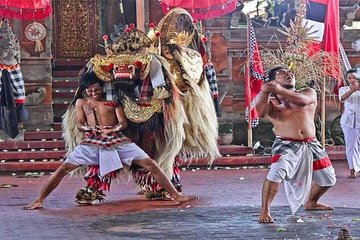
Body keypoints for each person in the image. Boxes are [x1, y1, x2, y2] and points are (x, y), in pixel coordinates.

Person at [23, 71, 196, 210]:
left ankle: (176, 196)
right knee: (63, 169)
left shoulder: (112, 103)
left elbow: (122, 122)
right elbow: (80, 124)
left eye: (96, 90)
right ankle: (39, 199)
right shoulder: (81, 103)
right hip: (92, 141)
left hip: (117, 140)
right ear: (84, 91)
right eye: (90, 91)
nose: (94, 93)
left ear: (102, 88)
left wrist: (113, 129)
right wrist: (90, 129)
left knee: (150, 164)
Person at [256, 66, 336, 223]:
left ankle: (311, 202)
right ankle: (265, 211)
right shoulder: (271, 101)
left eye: (290, 72)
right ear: (272, 81)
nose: (289, 74)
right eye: (282, 74)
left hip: (311, 144)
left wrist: (278, 89)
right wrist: (266, 92)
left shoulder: (307, 92)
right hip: (286, 145)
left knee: (328, 179)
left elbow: (302, 101)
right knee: (276, 173)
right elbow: (260, 113)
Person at [339, 68, 360, 178]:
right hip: (348, 121)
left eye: (354, 77)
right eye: (349, 78)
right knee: (351, 144)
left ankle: (359, 167)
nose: (352, 80)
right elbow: (342, 98)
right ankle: (352, 169)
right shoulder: (343, 89)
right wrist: (353, 89)